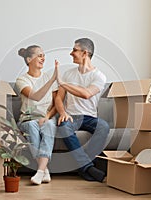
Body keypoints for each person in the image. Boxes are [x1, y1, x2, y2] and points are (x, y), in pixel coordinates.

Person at [55, 38, 110, 182]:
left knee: (103, 126)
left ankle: (84, 166)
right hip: (71, 116)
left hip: (89, 117)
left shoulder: (99, 76)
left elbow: (86, 94)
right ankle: (88, 168)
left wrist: (62, 83)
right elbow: (59, 99)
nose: (71, 53)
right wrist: (62, 113)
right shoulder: (68, 74)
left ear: (85, 53)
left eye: (74, 50)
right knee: (64, 127)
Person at [16, 45, 58, 185]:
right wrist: (51, 80)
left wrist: (47, 117)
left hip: (46, 117)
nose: (43, 58)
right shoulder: (22, 80)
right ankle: (44, 170)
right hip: (27, 119)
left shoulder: (47, 77)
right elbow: (35, 96)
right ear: (29, 59)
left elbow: (55, 104)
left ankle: (40, 172)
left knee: (50, 125)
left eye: (43, 55)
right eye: (39, 55)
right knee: (33, 125)